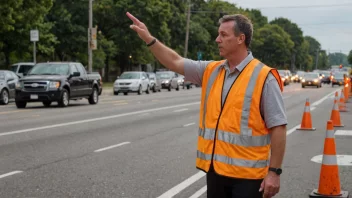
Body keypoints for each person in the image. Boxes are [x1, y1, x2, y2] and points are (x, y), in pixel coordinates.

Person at [127, 12, 287, 198]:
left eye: (223, 35)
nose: (217, 39)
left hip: (249, 179)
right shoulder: (211, 70)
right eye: (218, 34)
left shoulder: (264, 77)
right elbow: (175, 61)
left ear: (240, 39)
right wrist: (149, 39)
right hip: (216, 173)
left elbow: (278, 127)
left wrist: (274, 172)